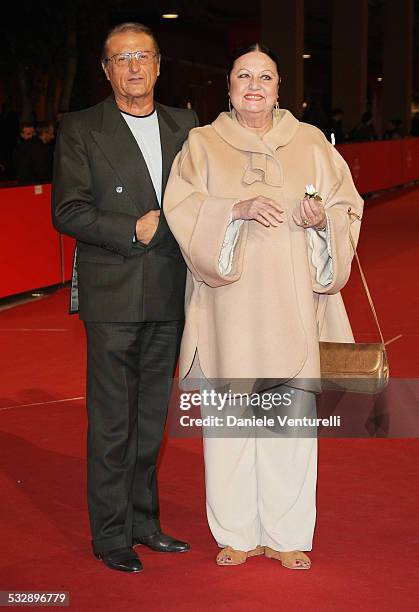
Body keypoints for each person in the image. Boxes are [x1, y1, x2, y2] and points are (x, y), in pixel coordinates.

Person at [164, 43, 363, 570]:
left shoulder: (312, 143)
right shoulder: (201, 145)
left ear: (279, 89)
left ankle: (288, 533)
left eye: (266, 77)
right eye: (243, 76)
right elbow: (181, 209)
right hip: (226, 312)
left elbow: (347, 205)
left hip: (293, 309)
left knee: (290, 431)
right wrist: (234, 210)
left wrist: (323, 222)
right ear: (228, 89)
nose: (254, 84)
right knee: (229, 431)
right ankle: (235, 531)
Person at [52, 22, 198, 573]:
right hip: (113, 293)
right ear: (106, 70)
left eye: (143, 56)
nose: (133, 67)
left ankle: (143, 522)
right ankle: (111, 533)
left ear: (159, 65)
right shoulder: (82, 128)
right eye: (121, 58)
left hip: (169, 291)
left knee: (151, 419)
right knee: (113, 422)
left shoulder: (187, 125)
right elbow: (66, 210)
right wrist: (127, 228)